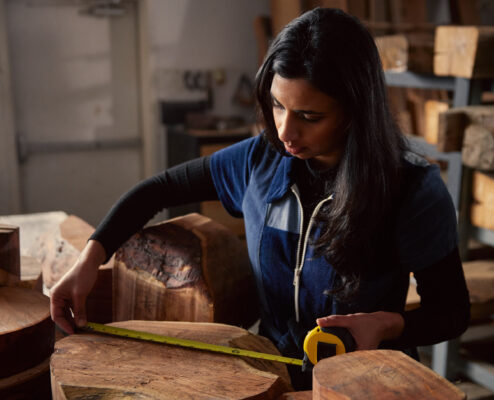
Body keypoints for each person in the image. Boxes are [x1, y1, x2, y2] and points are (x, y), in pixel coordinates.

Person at [50, 7, 470, 389]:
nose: (286, 131)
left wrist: (387, 324)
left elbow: (452, 311)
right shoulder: (260, 161)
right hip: (270, 375)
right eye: (277, 106)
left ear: (356, 111)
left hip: (364, 383)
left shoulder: (411, 190)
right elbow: (156, 191)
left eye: (310, 116)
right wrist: (90, 259)